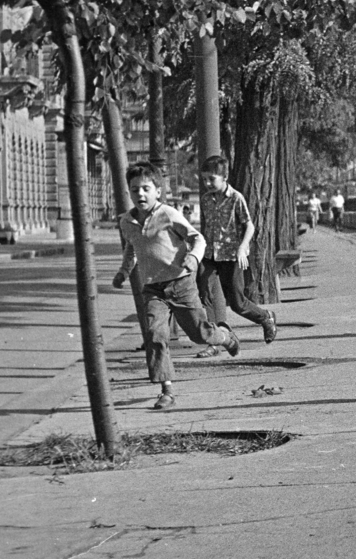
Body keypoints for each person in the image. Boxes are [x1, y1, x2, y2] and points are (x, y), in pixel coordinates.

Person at [112, 161, 241, 410]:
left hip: (180, 284)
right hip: (153, 289)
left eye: (146, 188)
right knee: (155, 334)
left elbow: (197, 238)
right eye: (135, 189)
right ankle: (166, 390)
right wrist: (123, 272)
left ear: (157, 191)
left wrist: (193, 257)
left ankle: (225, 337)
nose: (140, 194)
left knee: (200, 334)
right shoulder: (126, 222)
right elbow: (132, 246)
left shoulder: (168, 214)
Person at [196, 155, 277, 354]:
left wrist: (242, 248)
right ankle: (215, 341)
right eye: (204, 179)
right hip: (209, 256)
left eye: (211, 179)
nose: (207, 183)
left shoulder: (236, 198)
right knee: (205, 294)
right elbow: (206, 226)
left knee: (237, 303)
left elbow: (249, 226)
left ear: (224, 177)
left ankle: (265, 317)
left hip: (231, 256)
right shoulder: (205, 200)